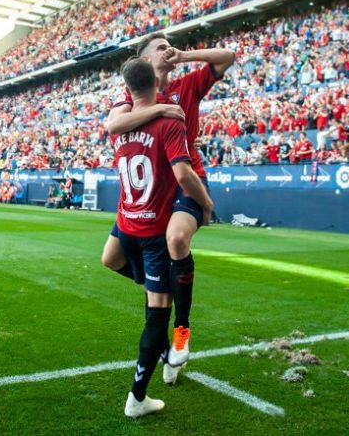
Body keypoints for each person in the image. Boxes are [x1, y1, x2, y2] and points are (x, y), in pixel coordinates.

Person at [102, 32, 235, 380]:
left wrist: (185, 54)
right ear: (144, 60)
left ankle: (182, 332)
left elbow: (227, 56)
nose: (167, 49)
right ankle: (160, 288)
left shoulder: (189, 85)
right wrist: (161, 107)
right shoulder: (133, 95)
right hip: (153, 189)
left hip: (187, 177)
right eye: (160, 47)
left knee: (176, 239)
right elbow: (112, 124)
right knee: (111, 259)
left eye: (169, 45)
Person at [111, 57, 214, 418]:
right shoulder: (168, 120)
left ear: (128, 88)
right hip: (151, 230)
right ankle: (137, 398)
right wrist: (206, 203)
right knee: (157, 316)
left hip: (127, 223)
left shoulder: (121, 122)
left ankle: (177, 332)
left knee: (115, 261)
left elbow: (116, 124)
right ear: (154, 83)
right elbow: (184, 176)